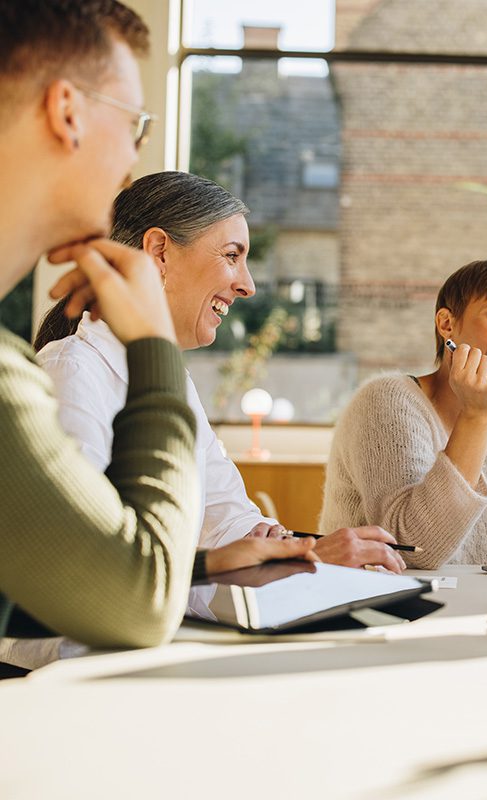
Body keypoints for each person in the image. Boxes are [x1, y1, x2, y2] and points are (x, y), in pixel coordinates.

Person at [0, 0, 312, 664]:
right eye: (134, 123)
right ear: (66, 112)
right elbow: (126, 599)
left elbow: (92, 575)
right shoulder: (55, 373)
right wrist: (152, 353)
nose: (135, 153)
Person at [32, 171, 406, 574]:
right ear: (159, 251)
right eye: (231, 256)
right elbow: (92, 556)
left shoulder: (172, 382)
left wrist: (283, 546)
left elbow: (227, 518)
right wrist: (299, 558)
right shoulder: (70, 372)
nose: (247, 286)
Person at [321, 260, 487, 569]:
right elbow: (413, 547)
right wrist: (477, 415)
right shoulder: (385, 401)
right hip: (391, 609)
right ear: (447, 325)